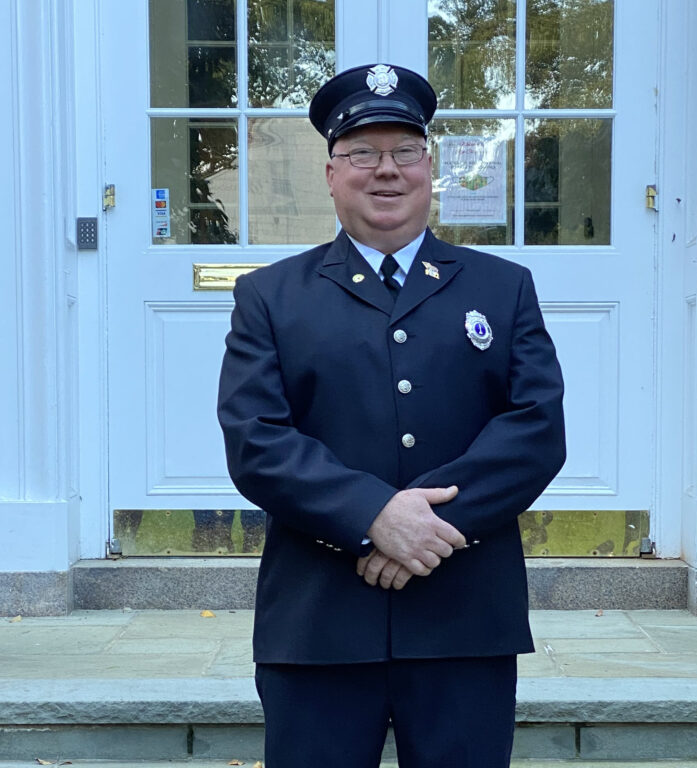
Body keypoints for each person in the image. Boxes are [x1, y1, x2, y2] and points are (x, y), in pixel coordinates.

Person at [217, 63, 566, 768]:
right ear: (330, 172)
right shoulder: (269, 297)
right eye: (362, 154)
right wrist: (376, 516)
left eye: (405, 152)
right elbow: (256, 440)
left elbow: (536, 429)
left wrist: (428, 530)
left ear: (429, 166)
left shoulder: (503, 289)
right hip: (318, 624)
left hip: (464, 620)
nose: (386, 171)